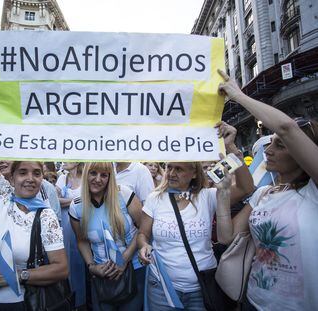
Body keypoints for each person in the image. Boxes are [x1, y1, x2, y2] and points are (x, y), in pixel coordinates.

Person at [216, 69, 318, 311]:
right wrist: (222, 194)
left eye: (279, 145)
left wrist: (238, 95)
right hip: (254, 301)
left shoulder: (313, 192)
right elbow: (226, 237)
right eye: (269, 142)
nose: (268, 150)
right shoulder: (264, 194)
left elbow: (287, 128)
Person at [137, 124, 254, 310]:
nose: (172, 173)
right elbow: (142, 234)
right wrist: (144, 246)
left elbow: (246, 188)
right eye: (169, 168)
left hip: (201, 288)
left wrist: (231, 148)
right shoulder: (154, 199)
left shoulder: (207, 196)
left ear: (193, 173)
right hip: (161, 287)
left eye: (179, 169)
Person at [0, 82, 68, 310]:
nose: (30, 178)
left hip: (18, 304)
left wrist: (16, 275)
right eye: (23, 172)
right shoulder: (1, 195)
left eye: (37, 173)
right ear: (12, 176)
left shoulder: (46, 216)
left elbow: (61, 268)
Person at [69, 162, 144, 311]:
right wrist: (92, 267)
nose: (98, 179)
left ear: (110, 177)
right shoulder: (76, 206)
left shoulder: (124, 194)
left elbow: (143, 229)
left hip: (134, 270)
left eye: (104, 175)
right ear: (86, 174)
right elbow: (82, 240)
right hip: (102, 275)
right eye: (93, 173)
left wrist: (125, 259)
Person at [56, 162, 87, 308]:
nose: (64, 161)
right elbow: (55, 200)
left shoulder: (86, 178)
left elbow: (87, 203)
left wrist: (66, 201)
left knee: (80, 261)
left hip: (80, 226)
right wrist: (76, 201)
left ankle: (80, 301)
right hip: (63, 226)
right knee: (65, 260)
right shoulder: (62, 178)